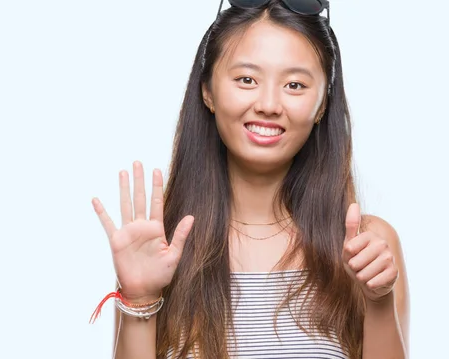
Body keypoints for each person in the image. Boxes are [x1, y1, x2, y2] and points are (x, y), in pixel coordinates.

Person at [90, 0, 409, 358]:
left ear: (322, 105)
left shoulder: (370, 246)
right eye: (246, 79)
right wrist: (140, 298)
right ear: (207, 90)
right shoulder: (158, 251)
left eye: (295, 85)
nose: (269, 104)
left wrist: (379, 301)